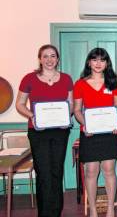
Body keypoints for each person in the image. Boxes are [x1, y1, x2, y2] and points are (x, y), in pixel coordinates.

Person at [15, 44, 73, 217]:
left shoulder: (66, 79)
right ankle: (45, 213)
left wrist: (66, 118)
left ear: (57, 59)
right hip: (38, 131)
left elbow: (70, 104)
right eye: (45, 56)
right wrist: (32, 115)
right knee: (43, 173)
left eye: (53, 56)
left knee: (57, 171)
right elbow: (19, 104)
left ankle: (56, 212)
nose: (49, 60)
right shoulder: (29, 78)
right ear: (40, 59)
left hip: (60, 131)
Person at [73, 48, 117, 217]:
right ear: (89, 62)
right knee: (91, 171)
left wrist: (116, 121)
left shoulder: (113, 82)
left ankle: (110, 208)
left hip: (109, 132)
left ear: (107, 63)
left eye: (102, 60)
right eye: (95, 60)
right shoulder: (80, 83)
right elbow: (77, 110)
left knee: (109, 169)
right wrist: (85, 125)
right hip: (89, 133)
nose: (98, 63)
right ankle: (93, 208)